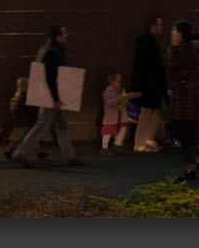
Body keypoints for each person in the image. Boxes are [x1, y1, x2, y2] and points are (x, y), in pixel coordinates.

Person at [10, 25, 82, 167]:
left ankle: (69, 156)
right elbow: (51, 77)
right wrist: (55, 98)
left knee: (60, 124)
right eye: (64, 33)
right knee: (42, 125)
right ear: (58, 36)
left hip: (46, 93)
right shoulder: (53, 53)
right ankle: (20, 153)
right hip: (50, 95)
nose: (66, 35)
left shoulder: (45, 50)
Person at [165, 20, 199, 177]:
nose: (171, 33)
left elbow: (175, 67)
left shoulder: (185, 52)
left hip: (187, 99)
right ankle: (197, 155)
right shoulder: (183, 50)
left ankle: (191, 165)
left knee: (185, 131)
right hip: (183, 98)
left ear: (180, 34)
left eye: (174, 30)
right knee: (181, 131)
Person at [129, 16, 170, 152]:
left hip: (150, 83)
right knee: (148, 112)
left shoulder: (147, 41)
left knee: (152, 111)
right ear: (153, 26)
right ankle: (141, 142)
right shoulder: (147, 43)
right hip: (149, 84)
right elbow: (142, 66)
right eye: (160, 25)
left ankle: (144, 141)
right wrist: (140, 87)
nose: (162, 27)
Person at [99, 71, 127, 152]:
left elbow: (124, 102)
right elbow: (109, 102)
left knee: (122, 129)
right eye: (118, 81)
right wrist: (120, 99)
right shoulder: (108, 92)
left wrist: (125, 100)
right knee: (108, 132)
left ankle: (117, 146)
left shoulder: (121, 91)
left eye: (120, 81)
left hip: (119, 116)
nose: (120, 83)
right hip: (111, 116)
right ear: (111, 82)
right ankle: (104, 147)